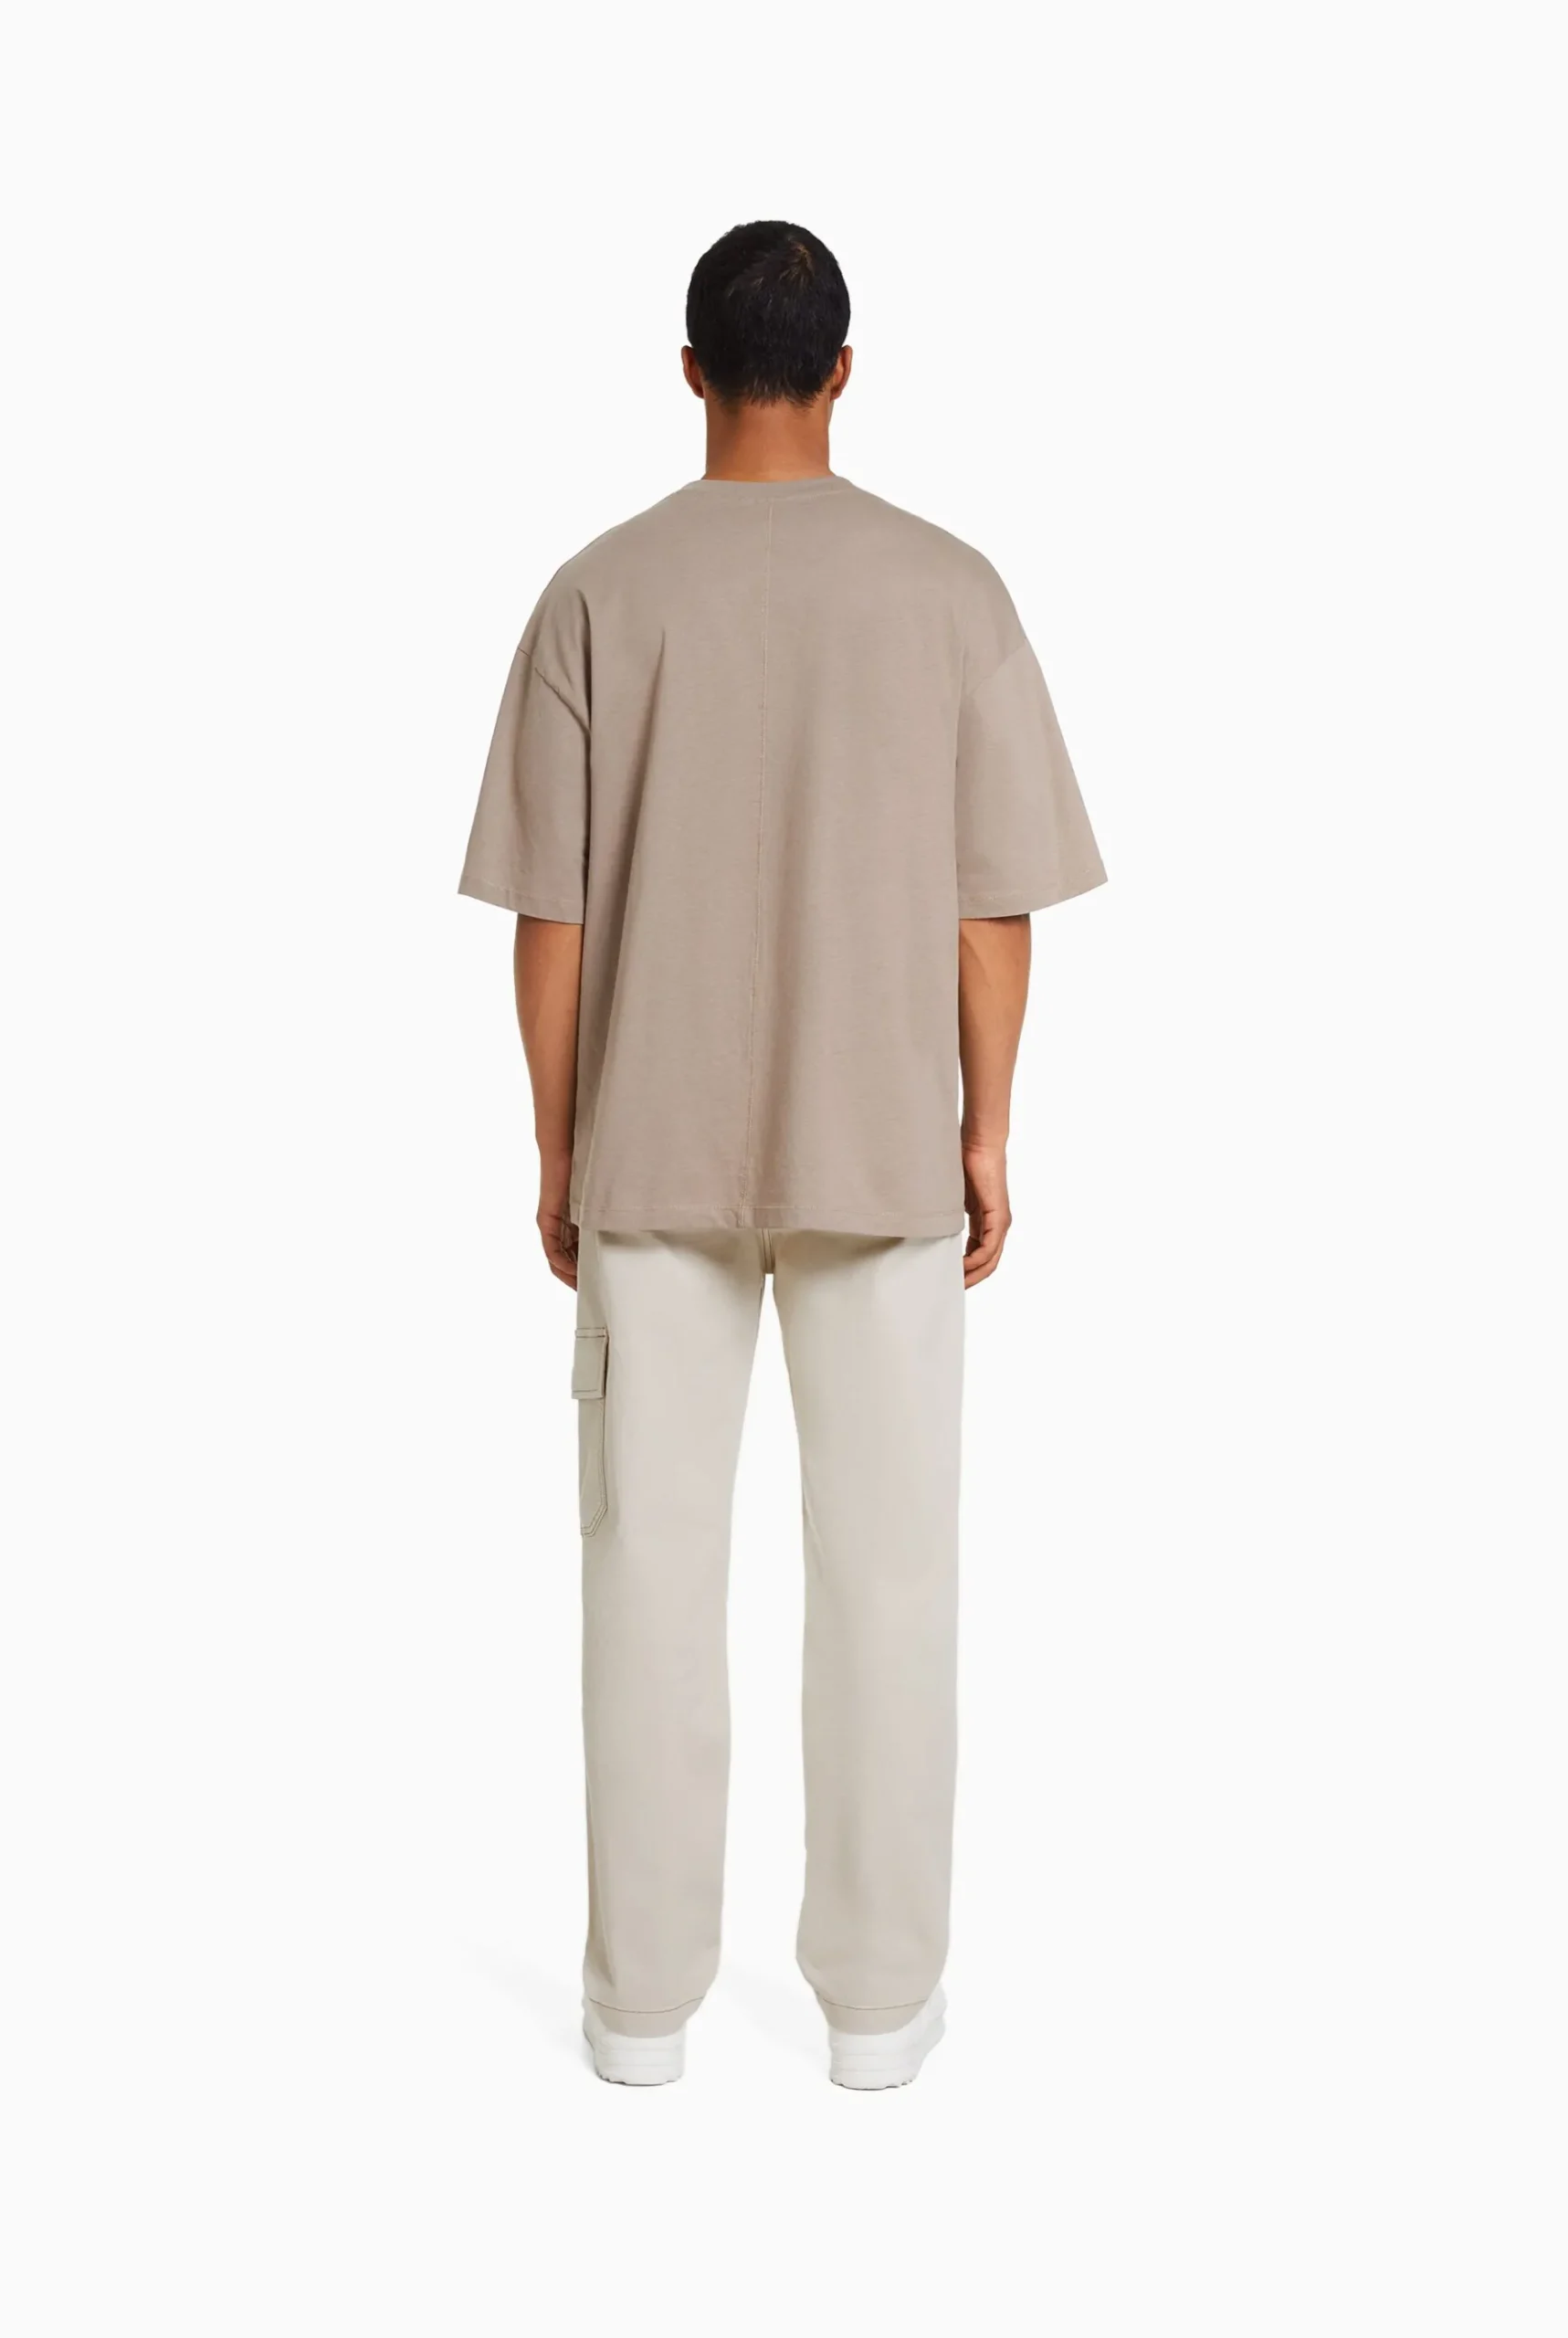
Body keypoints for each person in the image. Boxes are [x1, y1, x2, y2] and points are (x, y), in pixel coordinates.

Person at [459, 220, 1104, 2089]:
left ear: (688, 372)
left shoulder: (598, 591)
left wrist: (555, 1146)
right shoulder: (949, 589)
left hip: (649, 1150)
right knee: (891, 1582)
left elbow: (552, 918)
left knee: (644, 1580)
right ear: (842, 370)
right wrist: (986, 1126)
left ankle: (638, 2011)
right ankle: (879, 2010)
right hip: (877, 1150)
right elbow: (992, 908)